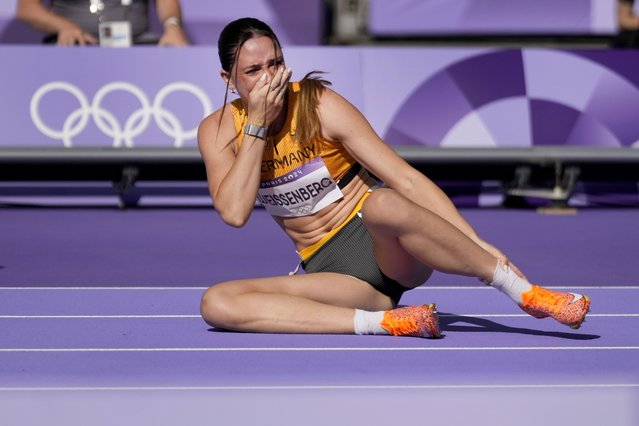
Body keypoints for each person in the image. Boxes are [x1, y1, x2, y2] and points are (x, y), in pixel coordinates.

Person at [197, 17, 590, 338]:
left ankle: (526, 293)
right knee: (216, 303)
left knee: (382, 202)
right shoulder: (217, 131)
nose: (270, 79)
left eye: (275, 64)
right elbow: (233, 213)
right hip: (335, 274)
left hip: (390, 247)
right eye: (253, 71)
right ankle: (388, 323)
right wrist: (257, 127)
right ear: (228, 79)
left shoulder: (318, 104)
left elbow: (406, 179)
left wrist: (478, 244)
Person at [16, 0, 189, 46]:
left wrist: (172, 26)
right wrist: (64, 26)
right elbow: (27, 8)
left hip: (137, 44)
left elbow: (167, 1)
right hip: (76, 45)